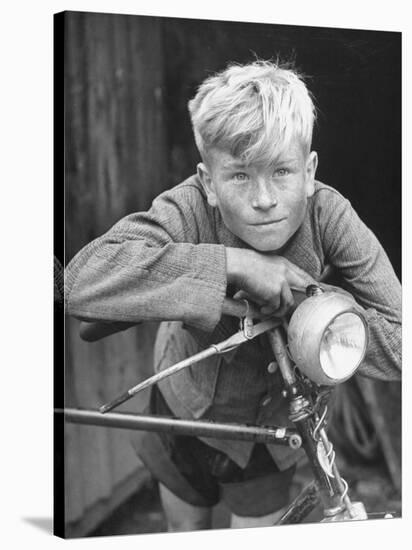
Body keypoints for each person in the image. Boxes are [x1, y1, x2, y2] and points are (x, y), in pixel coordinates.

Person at [65, 60, 401, 531]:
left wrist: (309, 303)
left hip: (267, 431)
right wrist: (235, 265)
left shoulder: (331, 216)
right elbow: (81, 283)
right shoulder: (188, 206)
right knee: (184, 530)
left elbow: (401, 340)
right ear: (208, 183)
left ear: (309, 171)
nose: (264, 198)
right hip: (180, 402)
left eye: (282, 171)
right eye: (240, 176)